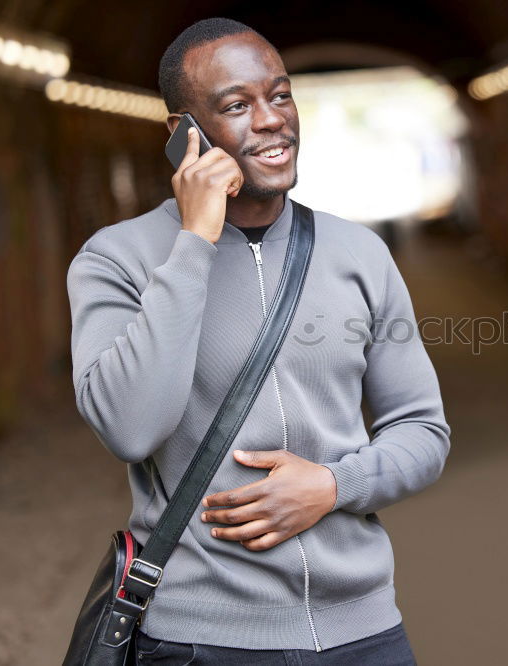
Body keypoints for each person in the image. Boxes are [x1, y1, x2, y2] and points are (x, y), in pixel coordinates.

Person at [66, 17, 451, 665]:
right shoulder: (116, 260)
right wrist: (194, 242)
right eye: (237, 105)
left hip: (365, 633)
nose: (272, 119)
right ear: (183, 133)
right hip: (200, 639)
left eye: (280, 94)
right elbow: (130, 427)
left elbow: (423, 432)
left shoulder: (359, 253)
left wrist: (334, 483)